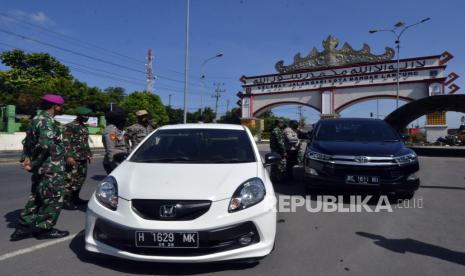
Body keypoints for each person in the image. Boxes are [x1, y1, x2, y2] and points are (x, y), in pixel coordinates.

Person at [10, 94, 69, 241]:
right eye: (60, 106)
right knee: (53, 198)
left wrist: (27, 158)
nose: (60, 109)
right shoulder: (46, 122)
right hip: (50, 167)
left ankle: (23, 228)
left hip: (42, 167)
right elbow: (44, 146)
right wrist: (32, 163)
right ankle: (44, 229)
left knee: (37, 196)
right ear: (54, 106)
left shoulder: (35, 120)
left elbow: (27, 142)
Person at [62, 106, 93, 210]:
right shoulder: (69, 126)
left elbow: (85, 143)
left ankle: (75, 198)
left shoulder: (84, 127)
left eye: (88, 115)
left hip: (82, 157)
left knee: (80, 179)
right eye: (85, 115)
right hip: (73, 158)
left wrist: (89, 154)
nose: (87, 117)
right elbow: (66, 142)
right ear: (79, 115)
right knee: (70, 180)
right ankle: (66, 200)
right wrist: (69, 156)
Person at [102, 106, 129, 174]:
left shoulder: (117, 130)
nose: (125, 120)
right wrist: (114, 166)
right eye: (124, 119)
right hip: (114, 163)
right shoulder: (111, 131)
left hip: (119, 161)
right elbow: (110, 150)